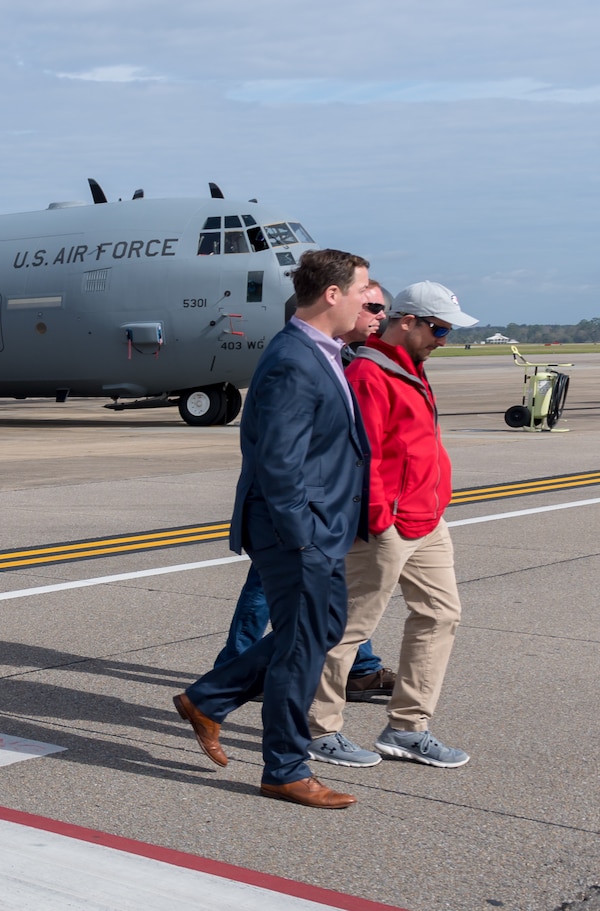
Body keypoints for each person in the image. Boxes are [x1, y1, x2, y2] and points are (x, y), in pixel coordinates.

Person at [173, 249, 372, 810]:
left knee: (321, 629)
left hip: (315, 529)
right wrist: (304, 535)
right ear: (332, 294)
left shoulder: (322, 352)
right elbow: (279, 464)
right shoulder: (293, 358)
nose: (367, 299)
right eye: (361, 290)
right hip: (296, 533)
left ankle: (208, 699)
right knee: (301, 650)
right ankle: (285, 768)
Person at [304, 281, 477, 770]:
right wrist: (378, 518)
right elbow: (363, 455)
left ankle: (407, 727)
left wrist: (435, 499)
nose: (443, 339)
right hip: (388, 523)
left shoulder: (411, 367)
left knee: (441, 615)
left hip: (427, 518)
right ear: (408, 322)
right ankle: (319, 728)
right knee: (348, 628)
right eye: (438, 329)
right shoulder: (369, 373)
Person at [210, 280, 393, 694]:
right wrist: (299, 527)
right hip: (300, 511)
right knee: (287, 600)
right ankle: (227, 678)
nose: (380, 315)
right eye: (371, 305)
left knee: (329, 603)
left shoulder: (342, 355)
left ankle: (359, 664)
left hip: (326, 507)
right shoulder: (299, 359)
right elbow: (282, 455)